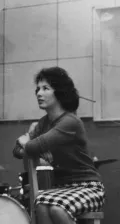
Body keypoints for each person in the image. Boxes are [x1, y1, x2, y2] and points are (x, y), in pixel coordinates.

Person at [13, 67, 105, 224]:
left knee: (56, 208)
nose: (38, 93)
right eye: (38, 89)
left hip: (88, 187)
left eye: (45, 88)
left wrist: (29, 144)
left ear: (60, 92)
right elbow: (17, 150)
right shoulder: (43, 123)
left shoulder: (70, 122)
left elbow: (31, 147)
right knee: (41, 203)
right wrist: (29, 146)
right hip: (59, 189)